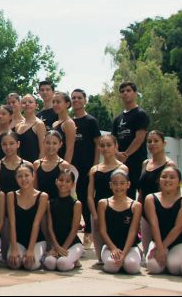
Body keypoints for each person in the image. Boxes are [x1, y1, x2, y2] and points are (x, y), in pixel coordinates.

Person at [144, 166, 182, 275]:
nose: (168, 180)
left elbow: (178, 228)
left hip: (180, 242)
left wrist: (163, 248)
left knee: (174, 267)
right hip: (158, 241)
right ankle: (165, 259)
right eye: (164, 177)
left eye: (172, 177)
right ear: (159, 180)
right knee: (153, 268)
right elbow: (153, 223)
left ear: (179, 182)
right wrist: (159, 247)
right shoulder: (150, 198)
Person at [87, 134, 128, 262]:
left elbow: (124, 193)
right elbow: (89, 195)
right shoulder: (94, 170)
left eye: (109, 145)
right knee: (101, 259)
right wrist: (94, 215)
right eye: (102, 145)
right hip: (98, 213)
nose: (105, 148)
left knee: (117, 251)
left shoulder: (122, 168)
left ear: (116, 146)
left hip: (117, 212)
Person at [71, 88, 101, 248]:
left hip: (87, 167)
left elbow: (98, 145)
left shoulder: (91, 121)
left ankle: (90, 232)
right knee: (74, 200)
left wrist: (94, 166)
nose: (76, 100)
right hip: (72, 169)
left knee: (86, 199)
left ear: (84, 100)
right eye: (73, 98)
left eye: (79, 98)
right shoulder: (70, 122)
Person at [138, 130, 177, 254]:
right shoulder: (145, 163)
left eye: (156, 141)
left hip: (161, 211)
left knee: (162, 251)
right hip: (144, 211)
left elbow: (175, 191)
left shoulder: (169, 164)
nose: (152, 144)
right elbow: (141, 189)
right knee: (147, 255)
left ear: (164, 143)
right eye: (149, 141)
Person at [99, 169, 142, 274]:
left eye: (122, 183)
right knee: (111, 266)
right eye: (115, 184)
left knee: (132, 268)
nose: (118, 187)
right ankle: (119, 262)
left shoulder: (135, 205)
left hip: (130, 247)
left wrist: (124, 253)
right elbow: (102, 230)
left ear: (128, 185)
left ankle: (134, 256)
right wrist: (113, 249)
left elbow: (133, 231)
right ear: (110, 185)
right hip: (110, 247)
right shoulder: (103, 203)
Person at [7, 163, 49, 270]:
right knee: (14, 263)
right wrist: (14, 248)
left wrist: (30, 249)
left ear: (33, 176)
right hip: (19, 239)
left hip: (37, 240)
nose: (23, 179)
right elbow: (12, 222)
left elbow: (36, 223)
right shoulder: (11, 195)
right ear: (15, 178)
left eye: (27, 175)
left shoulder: (42, 196)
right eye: (20, 176)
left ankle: (42, 256)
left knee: (30, 265)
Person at [112, 81, 150, 199]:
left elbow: (139, 138)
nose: (125, 93)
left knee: (142, 194)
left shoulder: (140, 114)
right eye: (122, 91)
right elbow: (113, 140)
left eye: (128, 90)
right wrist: (117, 153)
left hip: (137, 161)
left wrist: (126, 154)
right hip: (120, 163)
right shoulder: (117, 119)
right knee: (125, 194)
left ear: (135, 93)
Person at [44, 169, 84, 272]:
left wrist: (63, 249)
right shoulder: (50, 203)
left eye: (67, 181)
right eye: (61, 180)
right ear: (56, 181)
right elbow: (50, 227)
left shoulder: (76, 204)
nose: (63, 183)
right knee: (49, 263)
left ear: (72, 184)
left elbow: (74, 229)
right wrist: (56, 246)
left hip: (73, 243)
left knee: (62, 264)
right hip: (57, 243)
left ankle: (74, 261)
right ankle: (68, 258)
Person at [33, 131, 71, 201]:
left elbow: (67, 190)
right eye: (48, 143)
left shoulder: (64, 165)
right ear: (43, 143)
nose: (51, 146)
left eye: (54, 143)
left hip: (57, 206)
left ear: (60, 145)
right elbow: (35, 189)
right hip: (40, 204)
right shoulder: (36, 164)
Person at [15, 94, 46, 164]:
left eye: (30, 102)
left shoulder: (39, 124)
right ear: (20, 106)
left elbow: (43, 150)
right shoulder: (18, 126)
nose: (27, 104)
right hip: (21, 166)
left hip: (34, 165)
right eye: (24, 102)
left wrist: (37, 168)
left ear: (36, 106)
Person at [50, 92, 77, 163]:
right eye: (53, 102)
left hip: (62, 164)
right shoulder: (54, 123)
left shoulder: (69, 123)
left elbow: (70, 150)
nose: (55, 104)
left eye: (58, 102)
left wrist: (64, 169)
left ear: (67, 104)